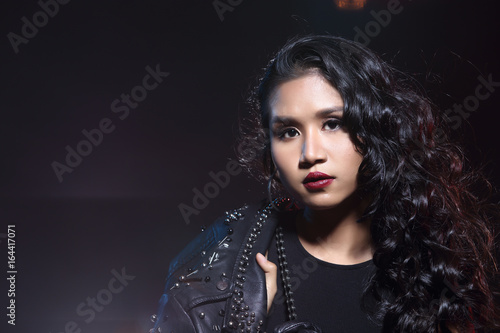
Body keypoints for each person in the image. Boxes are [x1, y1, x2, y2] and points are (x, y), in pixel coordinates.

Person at [149, 35, 500, 333]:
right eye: (288, 132)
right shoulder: (225, 263)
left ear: (375, 127)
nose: (310, 153)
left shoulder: (432, 254)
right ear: (269, 148)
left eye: (332, 123)